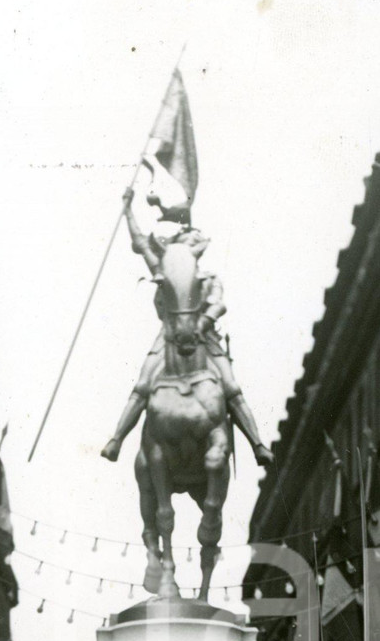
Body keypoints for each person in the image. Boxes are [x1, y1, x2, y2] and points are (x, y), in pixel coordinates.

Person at [100, 189, 272, 469]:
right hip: (168, 337)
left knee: (230, 386)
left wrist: (202, 324)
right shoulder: (164, 268)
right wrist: (128, 210)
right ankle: (117, 438)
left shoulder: (208, 277)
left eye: (195, 237)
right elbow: (142, 243)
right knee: (143, 384)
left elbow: (218, 305)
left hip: (204, 338)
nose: (193, 239)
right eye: (188, 236)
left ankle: (258, 444)